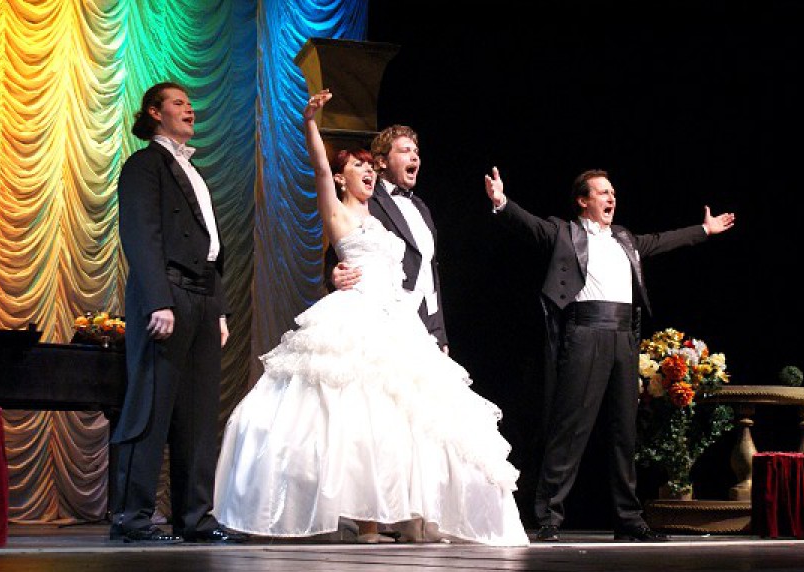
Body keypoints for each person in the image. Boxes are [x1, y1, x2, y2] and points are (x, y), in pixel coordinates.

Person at [211, 90, 529, 546]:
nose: (367, 172)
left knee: (411, 419)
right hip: (357, 316)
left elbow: (423, 273)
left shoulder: (391, 216)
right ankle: (367, 523)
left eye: (368, 167)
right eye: (359, 167)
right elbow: (321, 170)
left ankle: (415, 516)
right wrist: (310, 122)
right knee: (361, 418)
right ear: (344, 178)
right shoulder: (339, 210)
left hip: (399, 320)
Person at [484, 167, 735, 543]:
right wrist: (502, 202)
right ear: (582, 200)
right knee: (571, 427)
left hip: (624, 336)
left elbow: (661, 241)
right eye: (602, 192)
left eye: (612, 192)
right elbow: (530, 225)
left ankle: (628, 518)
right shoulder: (565, 233)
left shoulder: (625, 239)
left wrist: (703, 230)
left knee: (624, 431)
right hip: (585, 333)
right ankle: (549, 515)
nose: (611, 197)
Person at [110, 82, 246, 544]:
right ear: (154, 112)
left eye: (190, 102)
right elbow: (140, 234)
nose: (189, 108)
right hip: (167, 291)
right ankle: (132, 518)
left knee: (198, 415)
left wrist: (220, 310)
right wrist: (157, 300)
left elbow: (212, 247)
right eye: (178, 102)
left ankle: (195, 518)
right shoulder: (144, 165)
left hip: (203, 297)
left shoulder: (194, 169)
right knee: (150, 408)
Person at [324, 123, 448, 353]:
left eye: (416, 152)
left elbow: (429, 272)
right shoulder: (367, 200)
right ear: (382, 162)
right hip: (385, 318)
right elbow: (341, 248)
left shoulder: (421, 208)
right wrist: (334, 274)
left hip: (424, 324)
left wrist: (439, 333)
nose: (414, 157)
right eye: (405, 151)